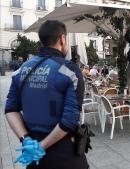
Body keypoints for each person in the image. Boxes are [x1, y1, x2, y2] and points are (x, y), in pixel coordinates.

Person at [5, 20, 88, 169]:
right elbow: (69, 119)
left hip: (32, 153)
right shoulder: (69, 70)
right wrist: (41, 147)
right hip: (64, 154)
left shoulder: (22, 69)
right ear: (62, 39)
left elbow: (10, 109)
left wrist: (26, 140)